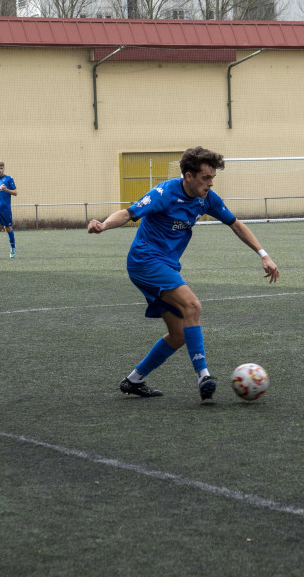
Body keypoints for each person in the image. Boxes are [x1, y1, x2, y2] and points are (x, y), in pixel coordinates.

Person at [87, 146, 279, 401]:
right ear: (188, 176)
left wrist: (263, 254)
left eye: (212, 178)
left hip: (167, 265)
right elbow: (128, 213)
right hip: (145, 261)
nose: (210, 183)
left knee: (178, 334)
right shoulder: (164, 193)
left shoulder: (207, 198)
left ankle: (134, 380)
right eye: (205, 178)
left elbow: (235, 224)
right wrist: (103, 225)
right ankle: (204, 376)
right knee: (193, 306)